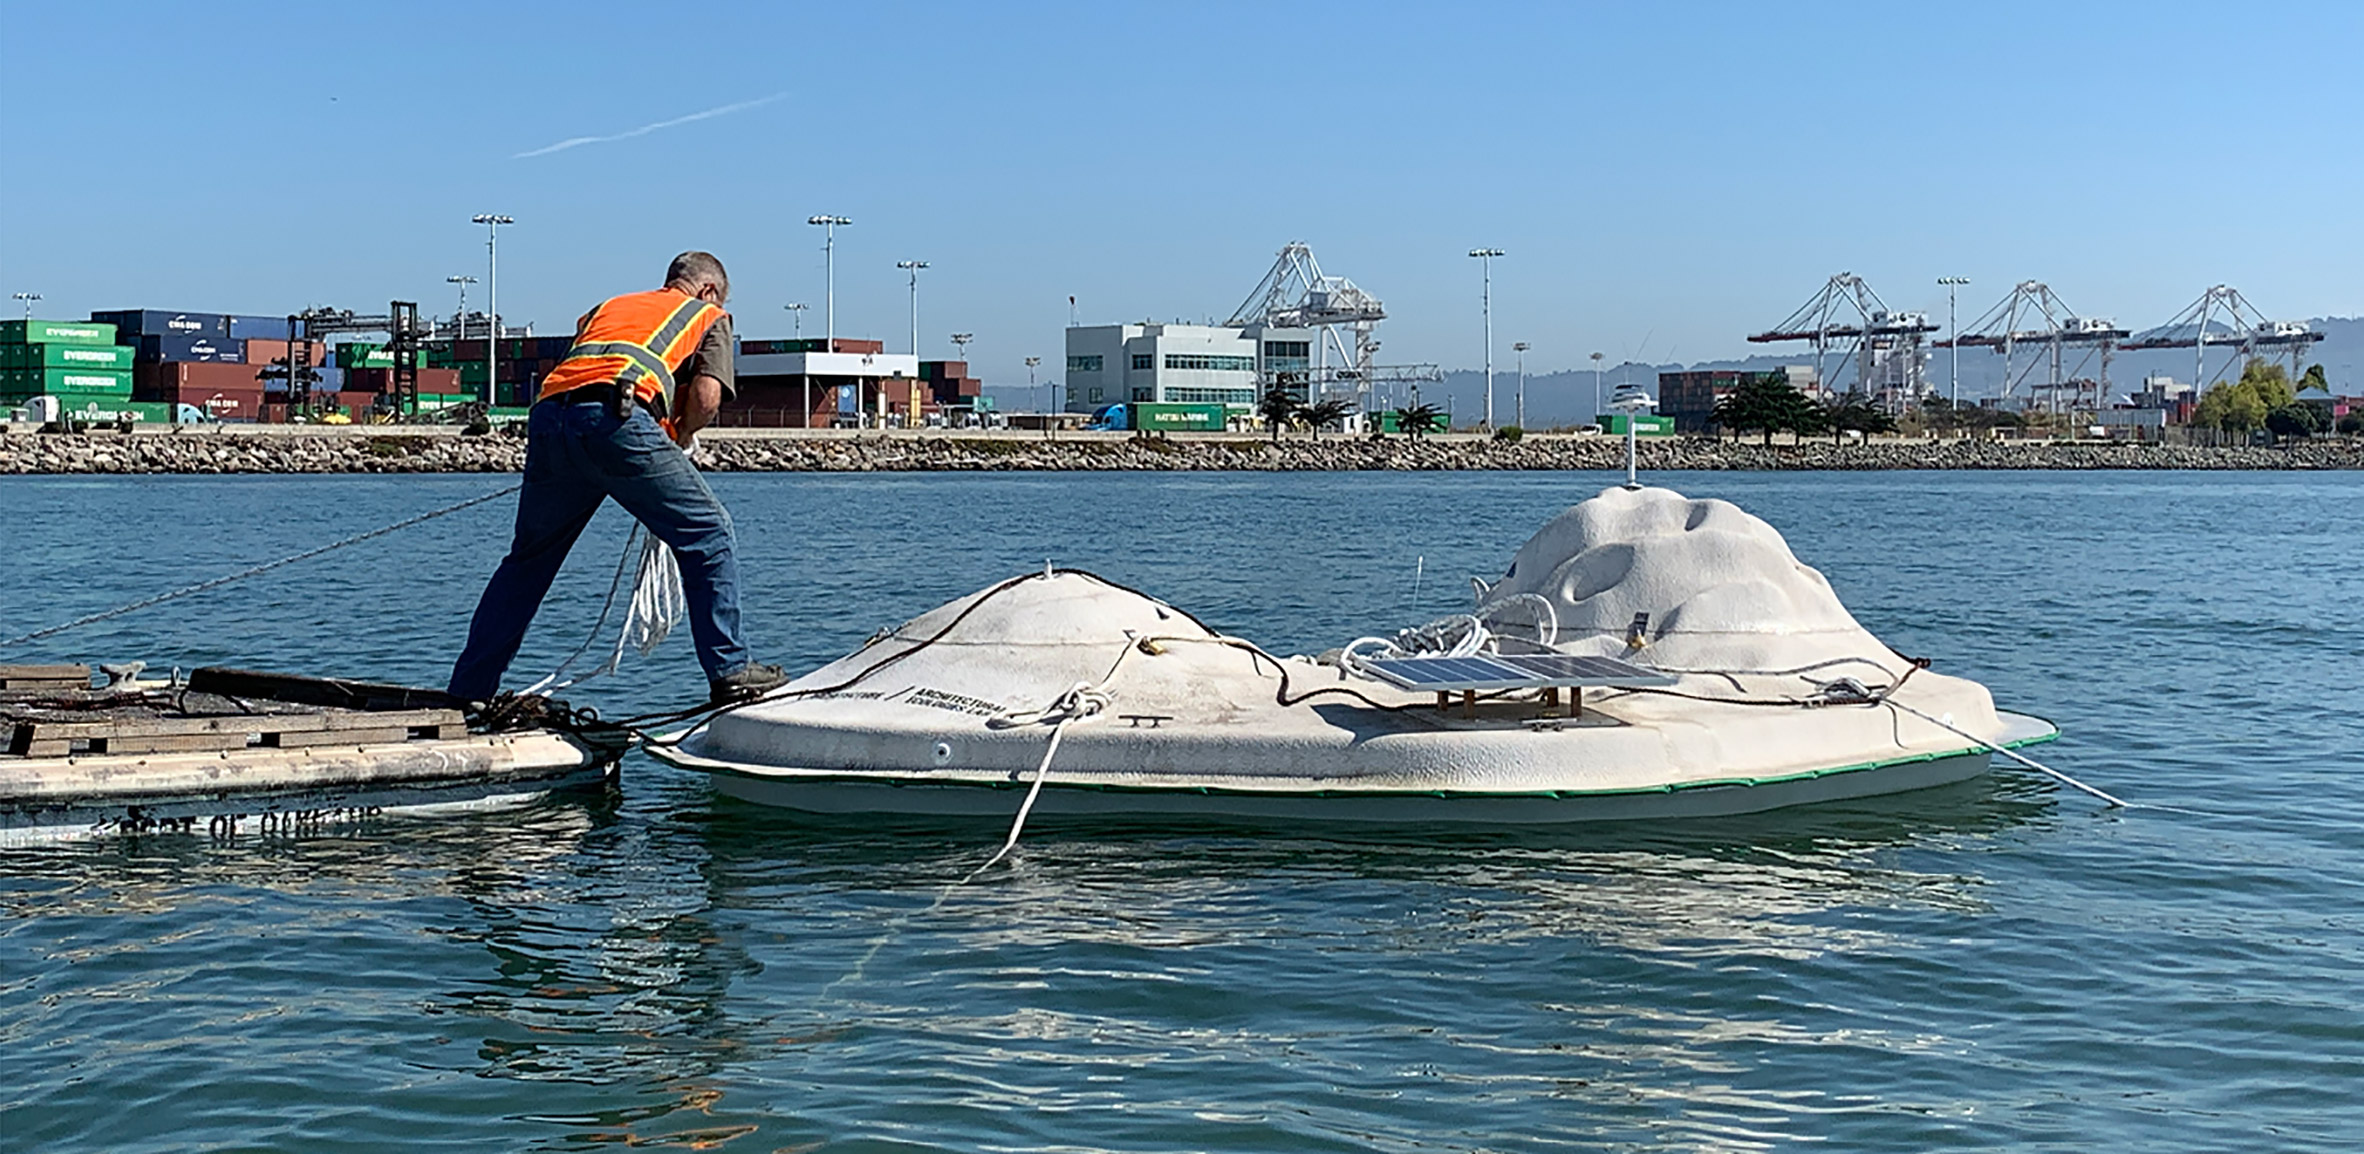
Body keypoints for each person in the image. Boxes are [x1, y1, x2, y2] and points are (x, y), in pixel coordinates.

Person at [448, 251, 788, 706]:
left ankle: (468, 692)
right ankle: (732, 670)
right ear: (709, 290)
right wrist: (681, 435)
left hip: (550, 419)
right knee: (708, 531)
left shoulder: (608, 308)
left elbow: (593, 366)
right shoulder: (708, 314)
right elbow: (706, 397)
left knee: (528, 563)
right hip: (617, 418)